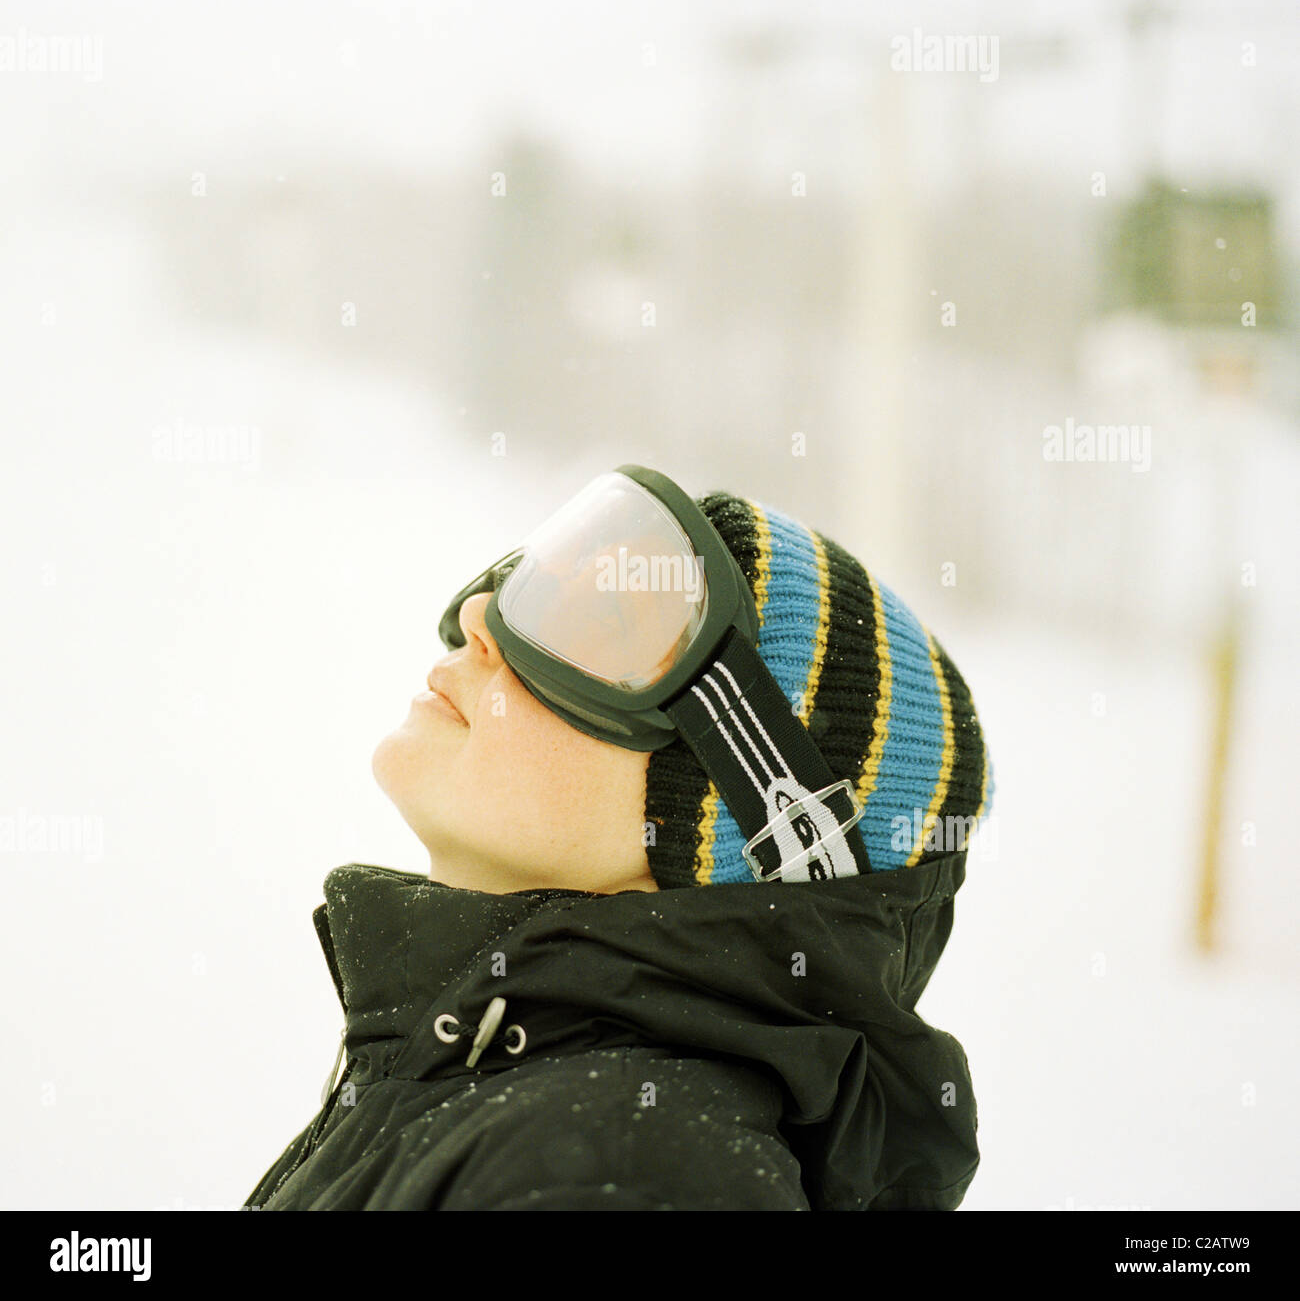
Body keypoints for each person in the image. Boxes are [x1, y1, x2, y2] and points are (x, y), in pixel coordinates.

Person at [242, 467, 995, 1211]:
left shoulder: (633, 1168)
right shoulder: (478, 1082)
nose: (479, 616)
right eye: (531, 586)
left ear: (762, 831)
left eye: (594, 631)